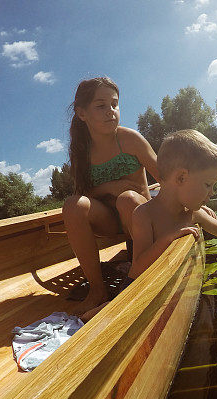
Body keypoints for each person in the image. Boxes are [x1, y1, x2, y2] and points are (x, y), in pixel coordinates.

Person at [79, 129, 217, 321]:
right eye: (208, 184)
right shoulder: (144, 215)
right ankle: (82, 318)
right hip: (137, 288)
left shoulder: (192, 213)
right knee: (103, 316)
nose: (212, 192)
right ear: (181, 178)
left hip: (163, 286)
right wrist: (168, 239)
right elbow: (139, 266)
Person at [61, 76, 159, 316]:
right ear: (82, 113)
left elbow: (167, 178)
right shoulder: (81, 152)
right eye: (101, 106)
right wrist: (110, 187)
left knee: (127, 199)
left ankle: (142, 274)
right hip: (107, 220)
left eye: (114, 104)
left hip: (141, 217)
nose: (110, 111)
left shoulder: (130, 139)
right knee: (73, 204)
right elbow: (85, 194)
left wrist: (192, 208)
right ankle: (97, 290)